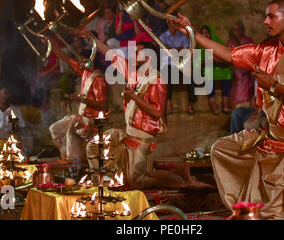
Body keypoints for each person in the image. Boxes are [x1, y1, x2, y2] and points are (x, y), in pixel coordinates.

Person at [169, 0, 284, 218]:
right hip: (269, 135)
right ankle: (249, 205)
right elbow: (230, 55)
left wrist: (275, 86)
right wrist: (193, 33)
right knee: (222, 149)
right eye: (265, 16)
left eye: (271, 16)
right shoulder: (265, 49)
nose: (265, 22)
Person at [84, 32, 210, 189]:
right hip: (128, 134)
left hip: (142, 138)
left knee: (136, 180)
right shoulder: (133, 74)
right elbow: (111, 54)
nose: (133, 55)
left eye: (138, 52)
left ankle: (178, 178)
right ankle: (106, 183)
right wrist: (92, 38)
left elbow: (157, 113)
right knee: (94, 147)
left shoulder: (156, 80)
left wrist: (134, 97)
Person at [48, 40, 108, 163]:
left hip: (91, 121)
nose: (80, 63)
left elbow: (102, 105)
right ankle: (67, 158)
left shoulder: (99, 80)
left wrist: (81, 99)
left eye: (83, 60)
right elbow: (68, 59)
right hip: (81, 116)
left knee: (71, 134)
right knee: (54, 129)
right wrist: (51, 43)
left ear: (91, 61)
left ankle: (75, 166)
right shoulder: (85, 72)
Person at [159, 19, 196, 114]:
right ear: (168, 23)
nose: (175, 24)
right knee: (169, 74)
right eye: (173, 22)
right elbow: (166, 52)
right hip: (168, 64)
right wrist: (178, 50)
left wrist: (172, 49)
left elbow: (186, 51)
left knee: (191, 74)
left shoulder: (183, 36)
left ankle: (191, 102)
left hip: (181, 63)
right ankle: (168, 102)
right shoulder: (162, 37)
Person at [199, 25, 232, 114]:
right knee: (208, 74)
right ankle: (212, 102)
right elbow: (198, 61)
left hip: (219, 67)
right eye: (203, 33)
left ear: (211, 33)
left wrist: (215, 58)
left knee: (228, 73)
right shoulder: (199, 45)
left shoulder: (217, 42)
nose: (205, 35)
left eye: (207, 32)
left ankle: (225, 102)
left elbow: (225, 55)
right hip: (207, 68)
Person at [227, 21, 255, 109]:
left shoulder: (249, 41)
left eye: (239, 29)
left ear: (243, 30)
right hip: (235, 69)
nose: (237, 32)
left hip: (247, 70)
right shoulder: (231, 42)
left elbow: (253, 56)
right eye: (235, 30)